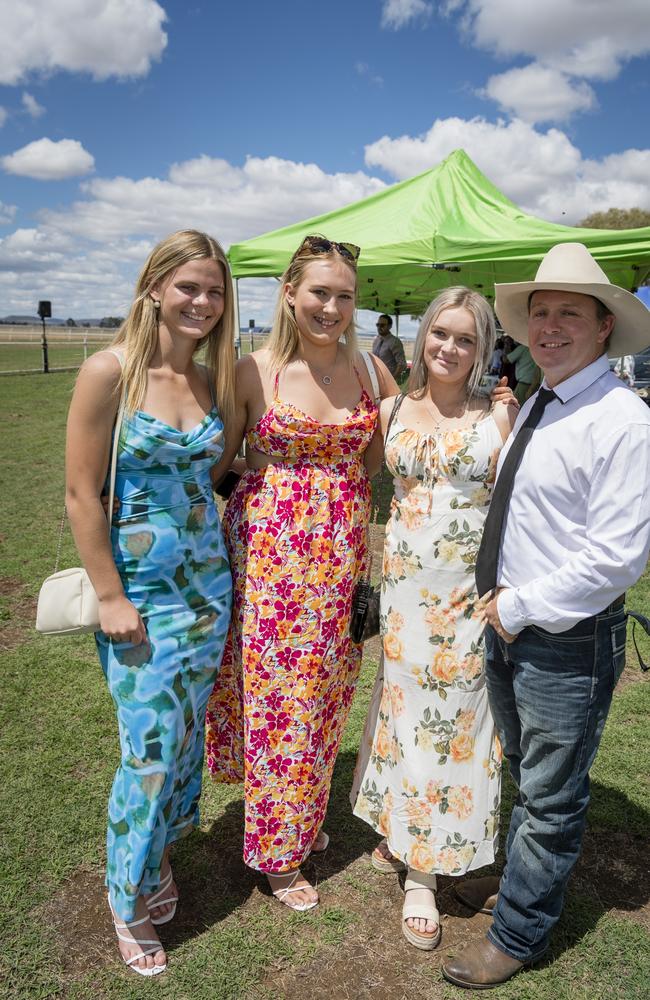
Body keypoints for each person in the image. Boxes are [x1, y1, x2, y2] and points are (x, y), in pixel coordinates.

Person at [442, 243, 650, 989]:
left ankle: (519, 932)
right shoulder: (539, 400)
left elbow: (617, 558)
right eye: (542, 312)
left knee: (553, 794)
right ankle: (519, 884)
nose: (551, 325)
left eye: (571, 313)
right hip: (514, 625)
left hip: (564, 637)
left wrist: (519, 604)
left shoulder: (621, 420)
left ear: (603, 329)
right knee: (529, 775)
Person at [204, 235, 399, 911]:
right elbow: (218, 459)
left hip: (343, 554)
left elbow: (386, 455)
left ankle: (303, 813)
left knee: (326, 695)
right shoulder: (251, 372)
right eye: (319, 292)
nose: (332, 307)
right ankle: (278, 853)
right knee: (280, 703)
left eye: (345, 296)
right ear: (289, 292)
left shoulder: (373, 372)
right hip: (269, 563)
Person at [65, 230, 235, 975]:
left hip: (209, 588)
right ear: (156, 286)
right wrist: (108, 593)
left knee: (188, 738)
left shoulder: (210, 380)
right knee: (149, 753)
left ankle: (160, 853)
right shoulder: (111, 372)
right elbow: (79, 492)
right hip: (138, 600)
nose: (202, 301)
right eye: (189, 286)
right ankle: (123, 895)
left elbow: (213, 475)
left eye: (216, 290)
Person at [351, 287, 517, 951]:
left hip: (469, 598)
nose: (449, 347)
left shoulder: (502, 418)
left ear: (482, 350)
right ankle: (411, 850)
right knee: (404, 716)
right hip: (405, 594)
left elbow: (519, 512)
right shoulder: (390, 409)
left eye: (466, 338)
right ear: (423, 337)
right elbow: (360, 485)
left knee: (459, 726)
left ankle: (434, 859)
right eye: (440, 333)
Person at [372, 313, 407, 380]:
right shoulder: (376, 340)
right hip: (376, 378)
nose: (379, 327)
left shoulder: (395, 342)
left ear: (389, 326)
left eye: (382, 325)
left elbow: (402, 364)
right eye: (378, 325)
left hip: (388, 379)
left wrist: (392, 379)